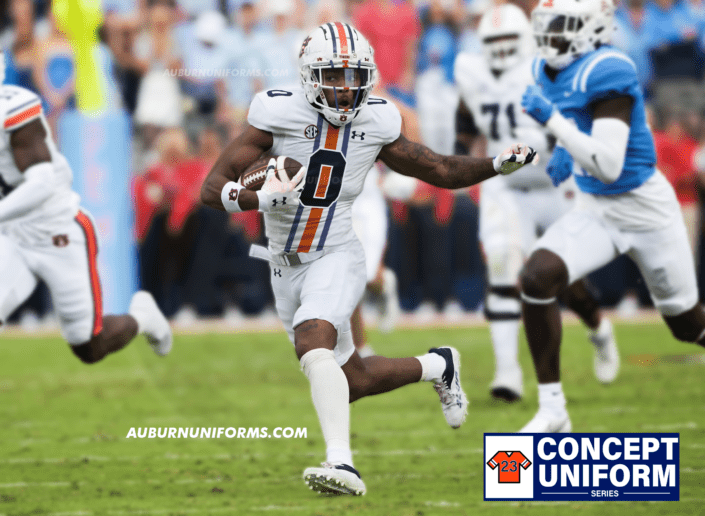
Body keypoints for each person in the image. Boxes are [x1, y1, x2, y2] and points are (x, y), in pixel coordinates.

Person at [200, 23, 538, 495]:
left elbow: (437, 167)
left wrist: (492, 165)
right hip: (283, 263)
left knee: (313, 343)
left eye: (354, 75)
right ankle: (438, 365)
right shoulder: (275, 111)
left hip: (337, 252)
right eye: (333, 75)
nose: (345, 87)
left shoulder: (378, 120)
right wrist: (257, 200)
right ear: (308, 75)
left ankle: (342, 464)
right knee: (350, 379)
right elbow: (212, 188)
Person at [518, 0, 705, 432]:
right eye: (547, 26)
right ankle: (553, 409)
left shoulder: (609, 69)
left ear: (592, 28)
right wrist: (563, 145)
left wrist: (558, 129)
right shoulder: (543, 70)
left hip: (644, 207)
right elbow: (577, 119)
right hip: (596, 207)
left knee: (686, 323)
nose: (550, 37)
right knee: (536, 277)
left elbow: (610, 164)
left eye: (562, 26)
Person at [454, 4, 618, 403]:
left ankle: (598, 327)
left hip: (556, 183)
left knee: (563, 279)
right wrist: (459, 157)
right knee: (503, 268)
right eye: (494, 41)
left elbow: (579, 112)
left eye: (510, 39)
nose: (502, 48)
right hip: (506, 185)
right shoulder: (471, 71)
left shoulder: (547, 68)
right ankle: (507, 372)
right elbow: (466, 117)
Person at [0, 54, 172, 364]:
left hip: (57, 230)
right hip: (12, 235)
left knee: (88, 346)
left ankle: (141, 317)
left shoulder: (14, 111)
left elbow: (41, 184)